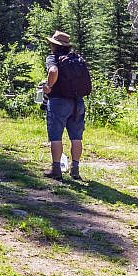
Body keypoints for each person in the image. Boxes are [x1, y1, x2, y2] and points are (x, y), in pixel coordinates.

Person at [41, 30, 92, 180]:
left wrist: (48, 86)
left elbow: (53, 70)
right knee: (76, 137)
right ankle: (75, 169)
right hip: (77, 102)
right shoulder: (76, 59)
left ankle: (56, 169)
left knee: (56, 136)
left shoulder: (53, 57)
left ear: (54, 45)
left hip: (58, 102)